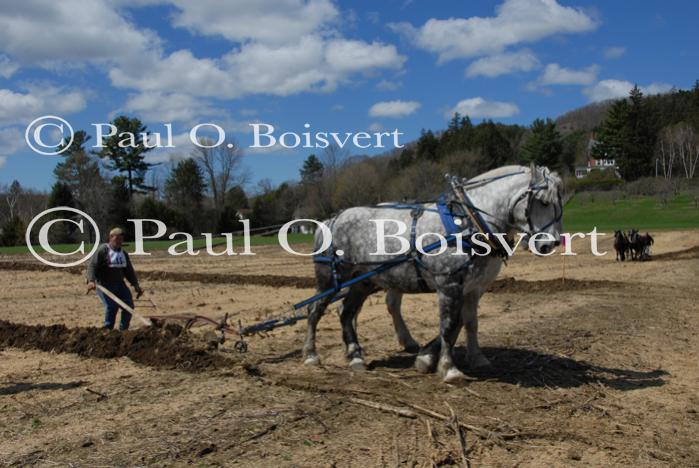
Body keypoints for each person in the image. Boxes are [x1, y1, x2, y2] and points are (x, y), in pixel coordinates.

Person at [86, 227, 144, 330]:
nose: (119, 241)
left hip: (120, 284)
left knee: (129, 307)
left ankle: (123, 330)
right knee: (112, 307)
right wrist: (91, 281)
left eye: (121, 239)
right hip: (104, 284)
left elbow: (128, 270)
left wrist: (135, 284)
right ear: (111, 237)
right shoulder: (103, 250)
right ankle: (108, 330)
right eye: (117, 239)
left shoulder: (123, 253)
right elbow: (92, 265)